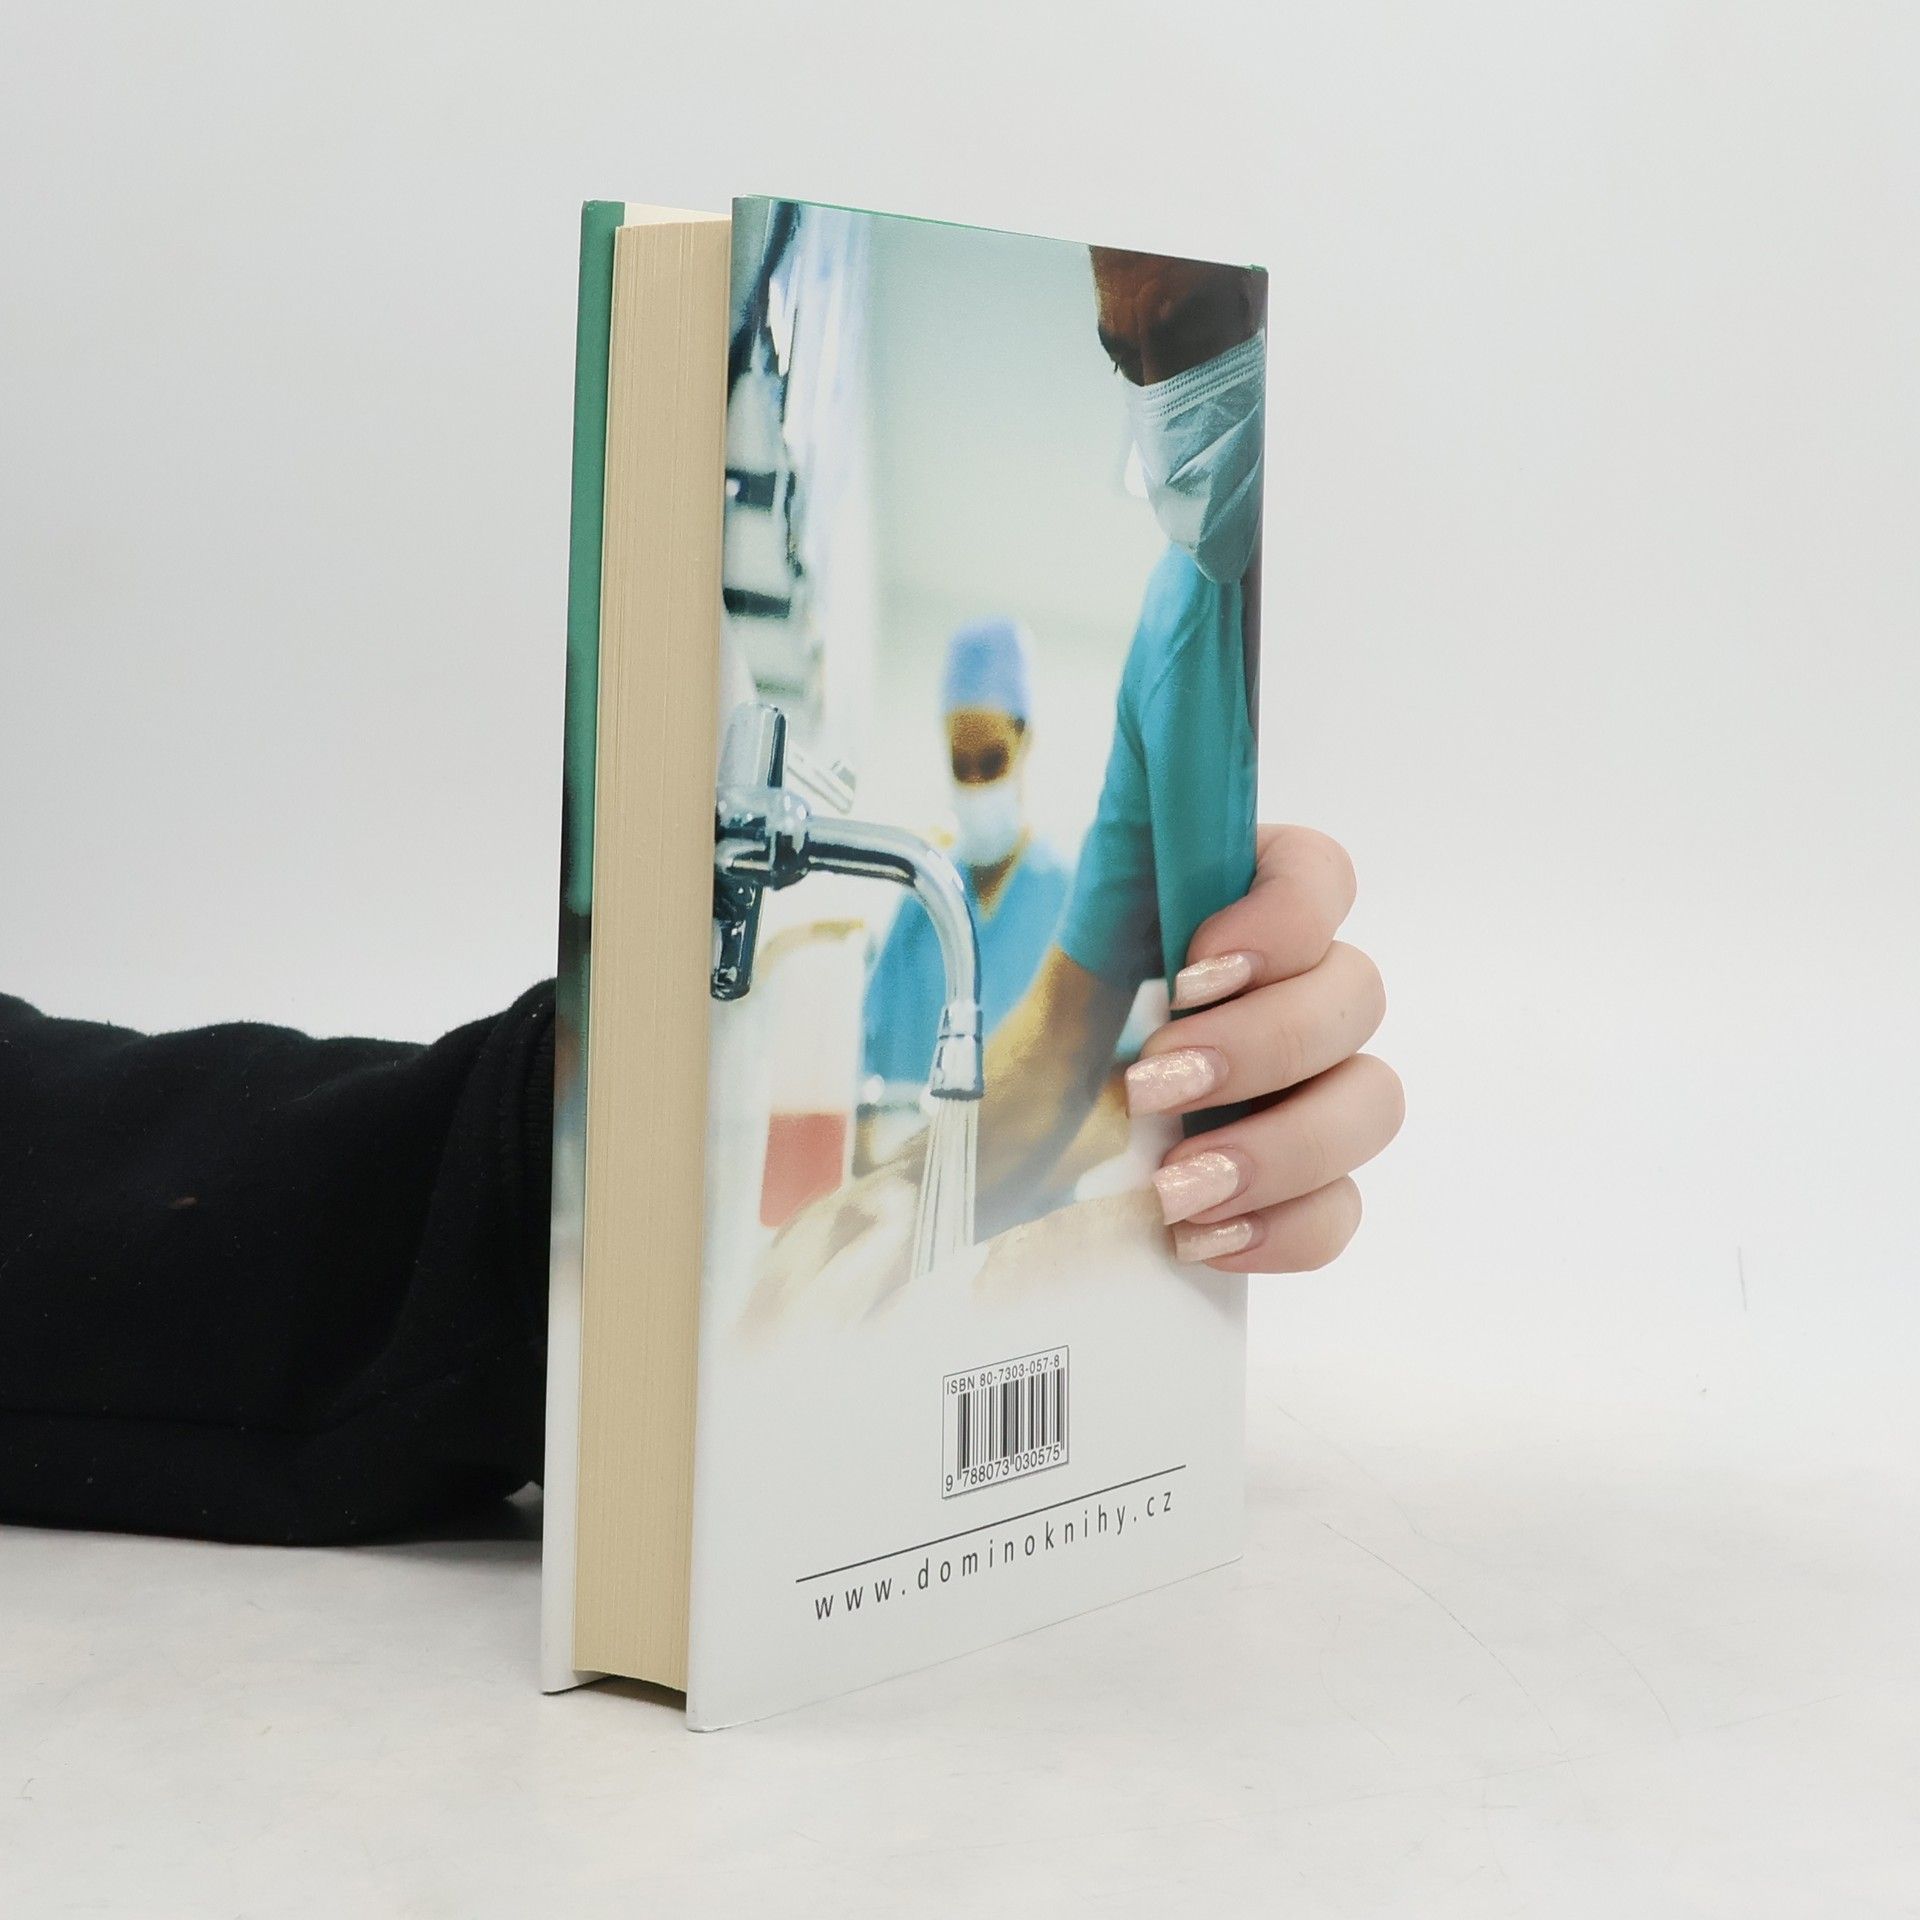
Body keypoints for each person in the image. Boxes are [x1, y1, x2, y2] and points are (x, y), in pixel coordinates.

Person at [859, 618, 1069, 1123]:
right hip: (913, 1162)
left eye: (992, 762)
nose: (976, 783)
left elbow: (1103, 1081)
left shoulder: (1070, 900)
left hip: (1031, 1171)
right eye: (961, 764)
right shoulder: (924, 898)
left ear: (1025, 742)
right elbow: (868, 1051)